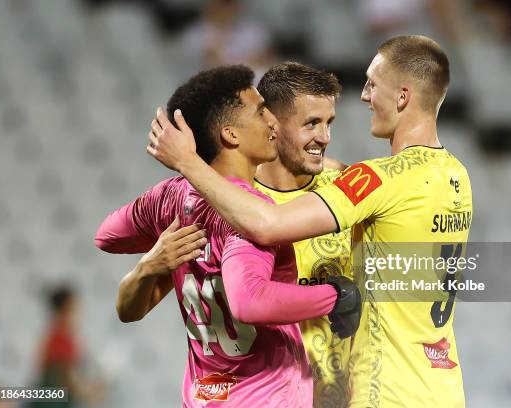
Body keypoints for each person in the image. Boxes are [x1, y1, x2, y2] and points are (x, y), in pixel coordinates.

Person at [148, 35, 473, 407]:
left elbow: (267, 224)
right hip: (442, 386)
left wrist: (188, 163)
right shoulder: (455, 174)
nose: (365, 96)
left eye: (372, 85)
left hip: (386, 390)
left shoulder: (379, 178)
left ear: (402, 97)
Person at [95, 65, 361, 407]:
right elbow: (249, 300)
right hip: (264, 397)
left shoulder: (171, 197)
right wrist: (336, 297)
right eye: (261, 112)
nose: (272, 123)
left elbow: (107, 236)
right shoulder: (250, 212)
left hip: (207, 394)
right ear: (231, 135)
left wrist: (150, 264)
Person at [254, 62, 352, 407]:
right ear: (271, 124)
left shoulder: (346, 190)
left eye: (329, 123)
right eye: (311, 123)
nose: (324, 137)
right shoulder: (234, 201)